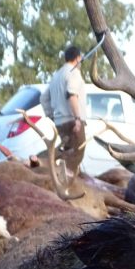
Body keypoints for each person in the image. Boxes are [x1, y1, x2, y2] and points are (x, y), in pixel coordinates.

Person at [40, 44, 86, 178]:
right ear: (77, 58)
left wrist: (52, 116)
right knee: (76, 155)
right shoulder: (74, 72)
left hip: (60, 122)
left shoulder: (57, 75)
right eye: (80, 58)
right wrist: (77, 119)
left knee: (66, 153)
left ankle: (42, 162)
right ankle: (66, 185)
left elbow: (43, 98)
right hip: (72, 121)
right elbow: (71, 94)